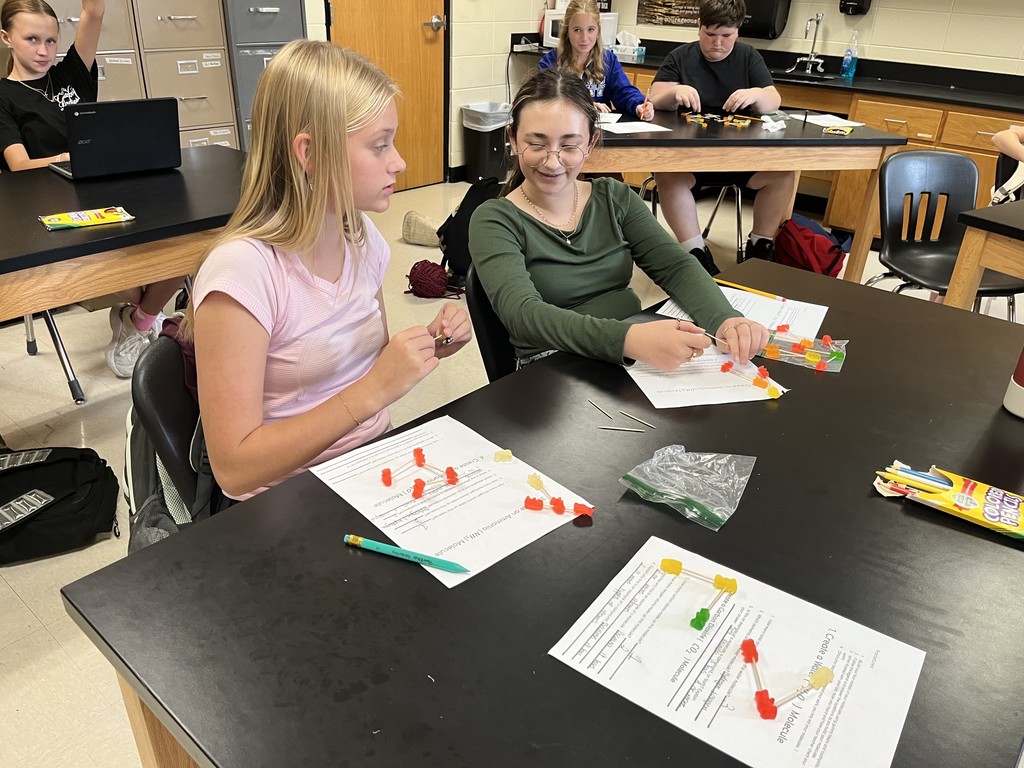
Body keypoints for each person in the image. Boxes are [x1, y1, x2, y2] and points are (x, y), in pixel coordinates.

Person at [184, 40, 472, 501]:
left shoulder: (358, 235)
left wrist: (430, 347)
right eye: (379, 146)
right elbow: (235, 469)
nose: (399, 162)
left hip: (370, 466)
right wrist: (375, 391)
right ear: (310, 153)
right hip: (288, 501)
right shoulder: (243, 272)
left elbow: (362, 367)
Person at [468, 68, 768, 374]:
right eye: (537, 144)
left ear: (591, 141)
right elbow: (523, 315)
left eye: (570, 146)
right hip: (553, 366)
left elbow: (675, 266)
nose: (553, 161)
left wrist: (725, 318)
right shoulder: (495, 219)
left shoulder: (614, 198)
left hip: (629, 348)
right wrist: (627, 340)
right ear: (513, 139)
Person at [0, 0, 184, 378]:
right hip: (48, 207)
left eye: (51, 40)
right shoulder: (4, 97)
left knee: (184, 241)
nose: (43, 50)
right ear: (6, 38)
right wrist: (68, 157)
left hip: (105, 190)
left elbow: (94, 12)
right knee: (118, 260)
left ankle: (138, 320)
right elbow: (18, 165)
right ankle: (146, 319)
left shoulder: (71, 74)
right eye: (32, 39)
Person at [649, 0, 797, 274]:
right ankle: (695, 253)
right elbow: (655, 97)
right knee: (666, 173)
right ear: (699, 27)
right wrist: (674, 92)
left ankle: (760, 247)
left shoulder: (748, 56)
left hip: (739, 158)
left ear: (738, 32)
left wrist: (757, 95)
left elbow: (773, 99)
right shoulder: (681, 57)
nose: (717, 43)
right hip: (688, 160)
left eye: (726, 36)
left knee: (782, 172)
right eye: (710, 35)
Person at [539, 0, 653, 122]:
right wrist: (584, 106)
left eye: (591, 30)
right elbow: (544, 100)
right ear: (567, 31)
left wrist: (639, 106)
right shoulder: (551, 62)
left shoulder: (608, 60)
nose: (584, 38)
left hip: (600, 132)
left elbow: (624, 92)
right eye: (577, 30)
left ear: (598, 31)